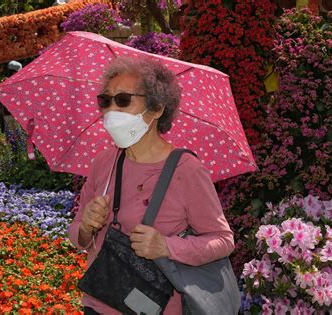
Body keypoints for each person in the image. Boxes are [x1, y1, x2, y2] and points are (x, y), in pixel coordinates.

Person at [67, 57, 235, 315]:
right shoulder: (104, 162)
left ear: (156, 108)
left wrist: (166, 247)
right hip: (98, 303)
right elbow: (77, 235)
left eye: (123, 100)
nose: (111, 109)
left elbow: (223, 240)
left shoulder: (187, 171)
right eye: (105, 100)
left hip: (154, 308)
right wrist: (86, 227)